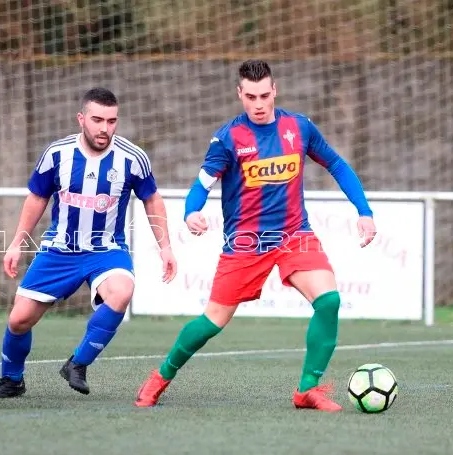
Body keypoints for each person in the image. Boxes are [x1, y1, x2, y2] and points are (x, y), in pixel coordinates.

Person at [134, 60, 377, 411]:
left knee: (329, 301)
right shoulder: (228, 138)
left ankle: (308, 389)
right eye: (250, 96)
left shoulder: (300, 127)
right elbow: (201, 185)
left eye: (264, 95)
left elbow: (337, 164)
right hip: (245, 243)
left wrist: (364, 212)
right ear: (240, 94)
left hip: (295, 235)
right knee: (212, 322)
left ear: (275, 90)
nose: (258, 104)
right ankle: (160, 377)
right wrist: (191, 212)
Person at [0, 87, 177, 399]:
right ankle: (11, 380)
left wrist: (165, 246)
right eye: (97, 119)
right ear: (81, 119)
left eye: (112, 121)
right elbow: (37, 198)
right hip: (59, 250)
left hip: (106, 250)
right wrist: (17, 242)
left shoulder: (132, 157)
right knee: (19, 320)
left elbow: (152, 200)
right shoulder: (57, 154)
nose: (105, 128)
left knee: (122, 291)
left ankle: (78, 364)